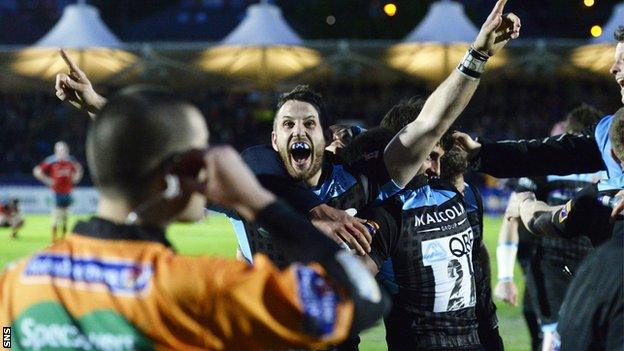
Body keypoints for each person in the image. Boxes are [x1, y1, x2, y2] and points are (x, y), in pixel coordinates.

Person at [0, 86, 389, 350]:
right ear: (172, 174)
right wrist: (260, 202)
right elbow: (360, 296)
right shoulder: (199, 288)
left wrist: (100, 106)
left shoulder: (16, 282)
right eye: (196, 157)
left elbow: (5, 339)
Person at [453, 26, 624, 218]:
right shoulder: (607, 130)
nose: (613, 68)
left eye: (622, 61)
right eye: (614, 61)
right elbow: (548, 154)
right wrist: (481, 152)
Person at [505, 107, 624, 351]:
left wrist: (525, 204)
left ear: (610, 153)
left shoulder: (596, 199)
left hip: (587, 279)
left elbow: (543, 221)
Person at [33, 141, 83, 242]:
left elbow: (79, 169)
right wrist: (47, 180)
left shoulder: (71, 161)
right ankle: (54, 239)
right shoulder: (51, 161)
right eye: (60, 150)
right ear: (56, 151)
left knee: (66, 216)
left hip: (68, 192)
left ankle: (64, 238)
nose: (63, 152)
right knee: (56, 215)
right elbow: (37, 170)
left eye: (64, 150)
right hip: (56, 193)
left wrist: (76, 178)